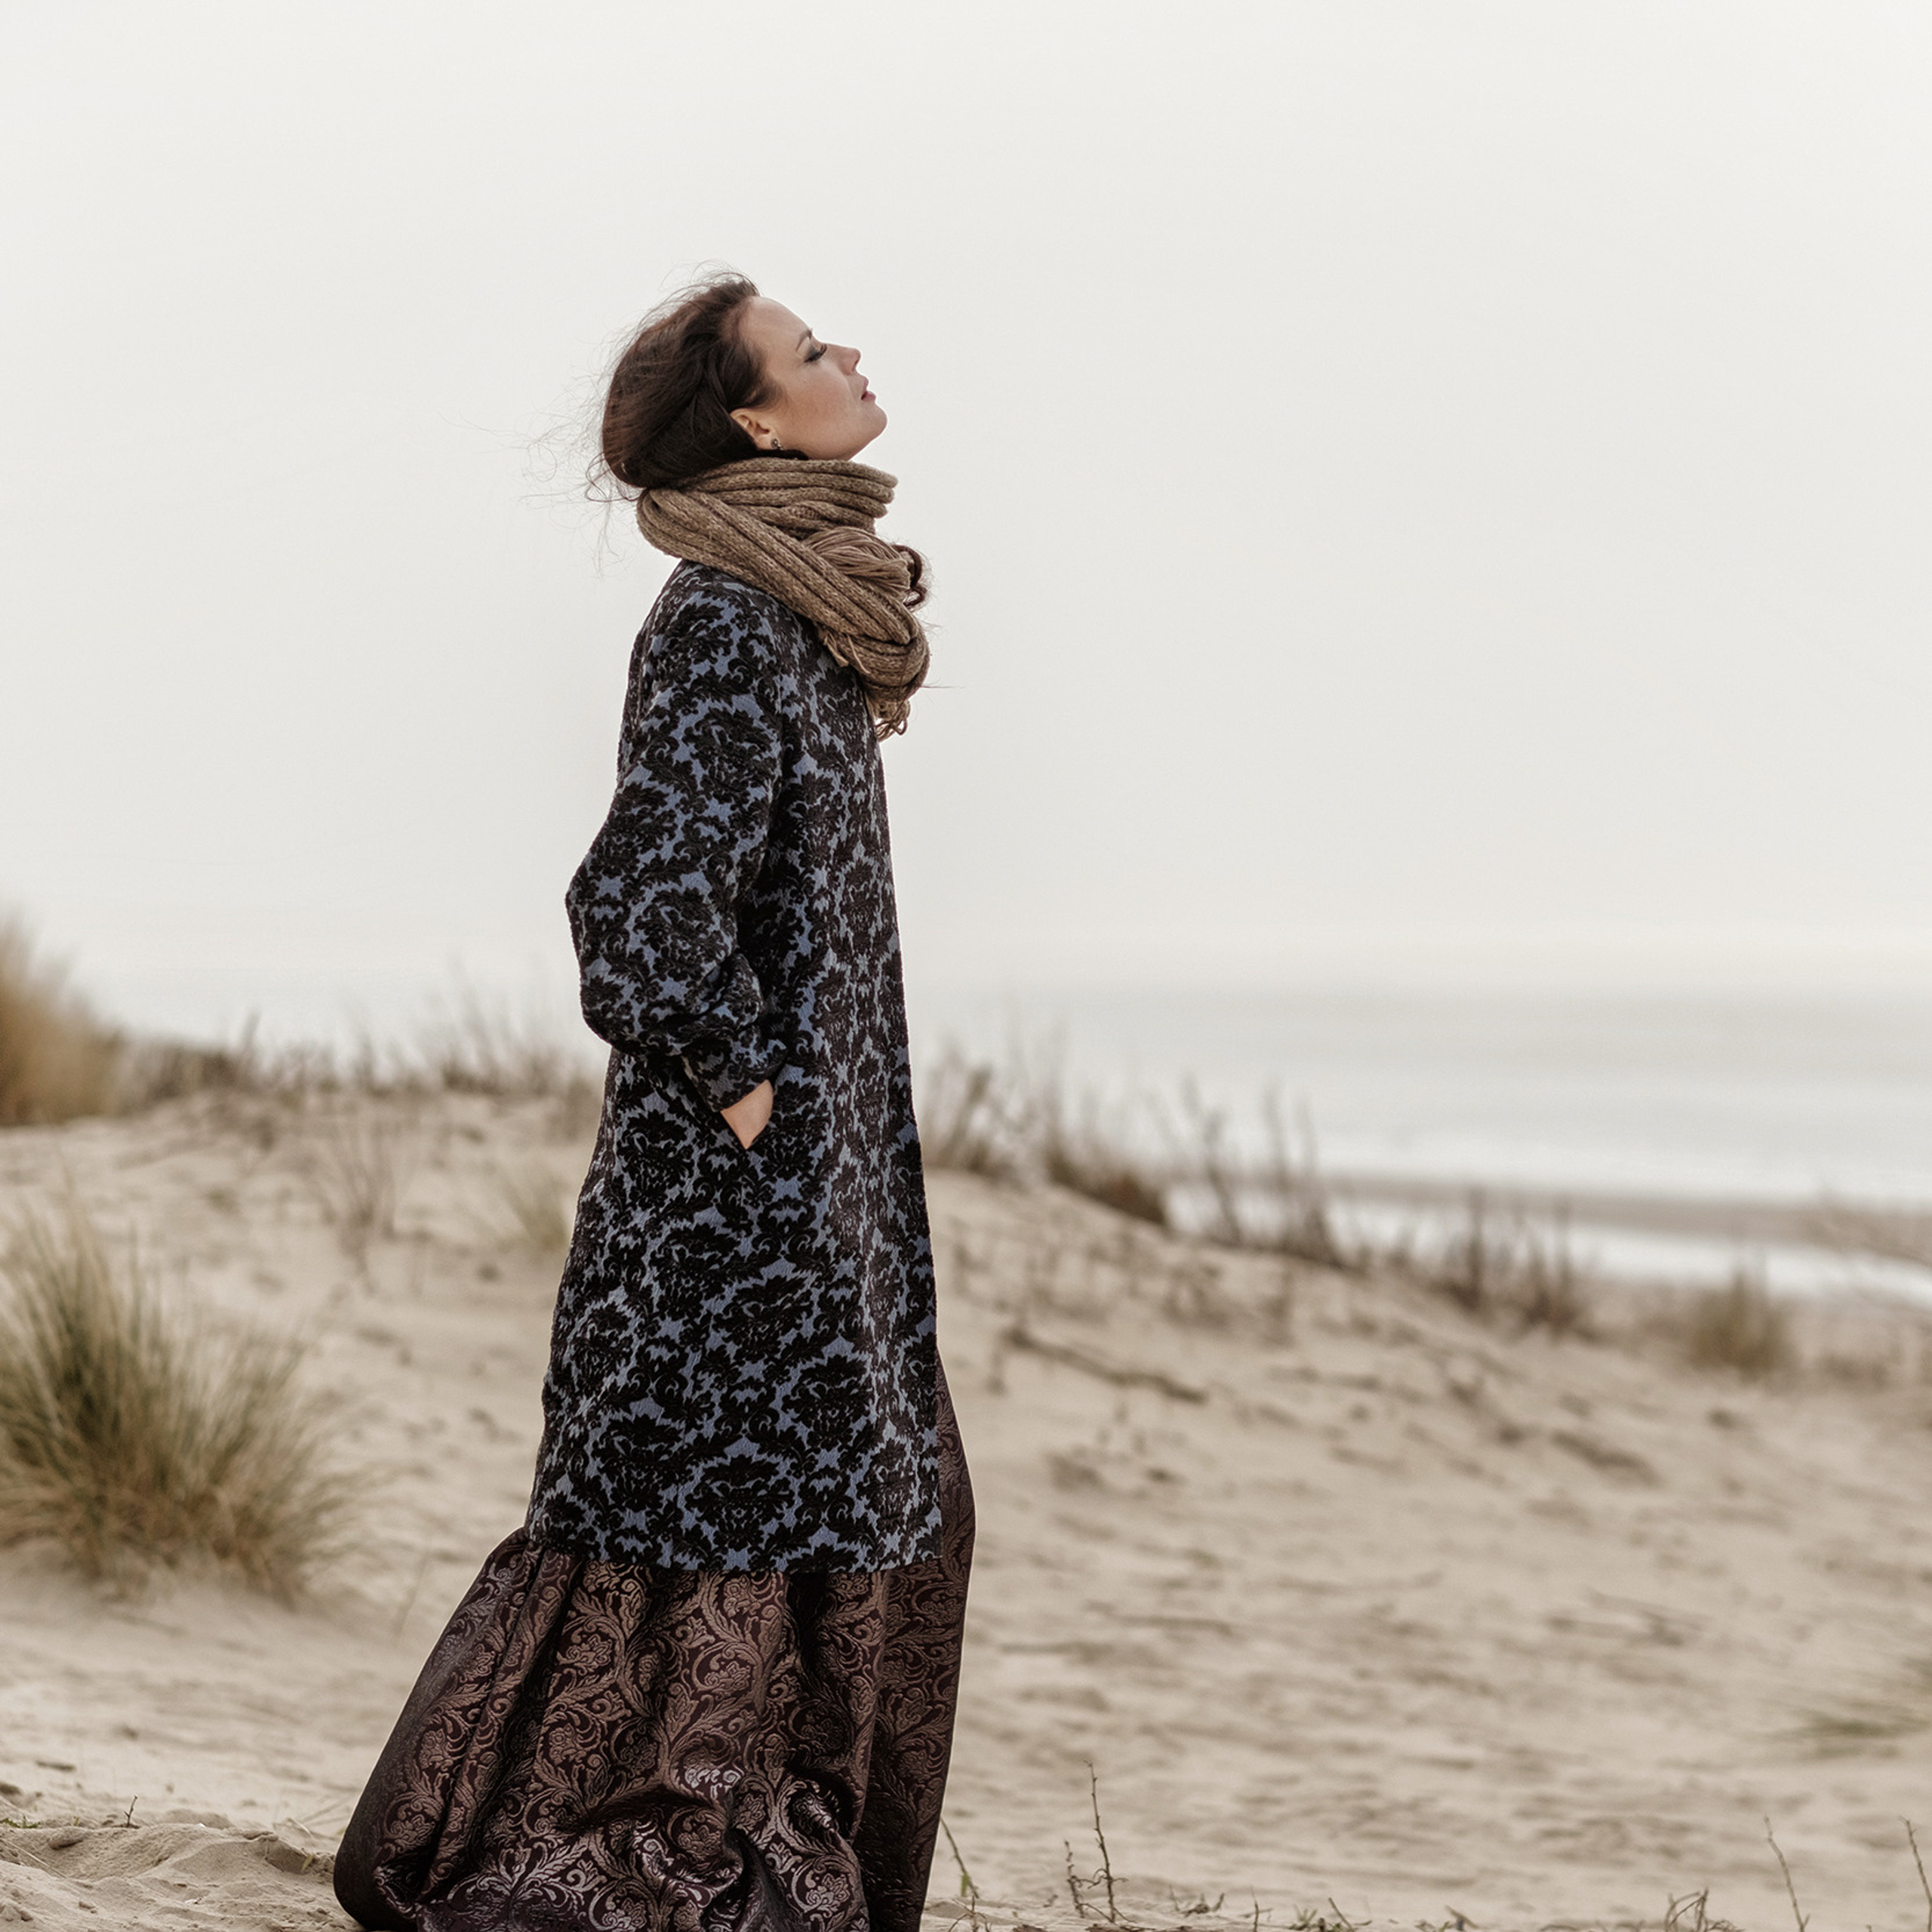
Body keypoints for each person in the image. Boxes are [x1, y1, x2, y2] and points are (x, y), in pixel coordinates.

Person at [334, 273, 974, 1932]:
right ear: (754, 419)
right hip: (731, 1203)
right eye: (812, 350)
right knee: (717, 1523)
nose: (850, 355)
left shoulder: (803, 613)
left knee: (849, 1501)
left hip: (819, 1185)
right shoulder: (724, 618)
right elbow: (639, 909)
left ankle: (766, 1862)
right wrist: (753, 1099)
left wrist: (818, 1140)